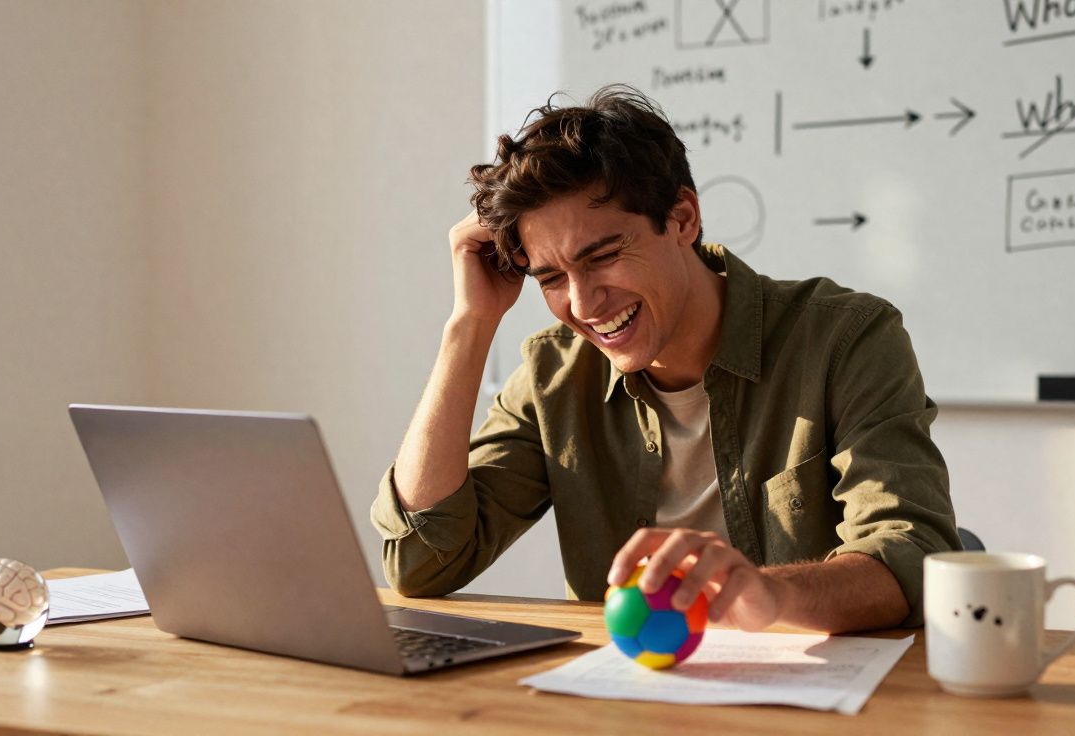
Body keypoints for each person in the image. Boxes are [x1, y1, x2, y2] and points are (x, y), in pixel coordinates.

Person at [371, 85, 960, 633]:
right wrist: (469, 327)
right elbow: (421, 563)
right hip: (636, 690)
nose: (582, 304)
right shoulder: (554, 376)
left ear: (682, 218)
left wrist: (768, 593)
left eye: (602, 255)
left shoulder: (844, 338)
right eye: (550, 277)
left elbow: (912, 553)